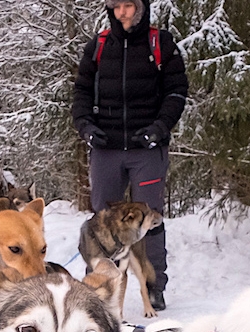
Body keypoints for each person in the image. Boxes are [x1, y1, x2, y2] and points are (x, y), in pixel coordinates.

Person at [71, 0, 187, 311]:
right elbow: (80, 92)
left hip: (146, 149)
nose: (124, 13)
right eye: (118, 6)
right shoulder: (98, 45)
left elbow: (176, 91)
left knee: (149, 219)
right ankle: (96, 282)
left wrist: (159, 127)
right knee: (101, 219)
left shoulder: (159, 43)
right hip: (106, 148)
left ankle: (153, 285)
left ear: (141, 7)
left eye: (129, 6)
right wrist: (86, 128)